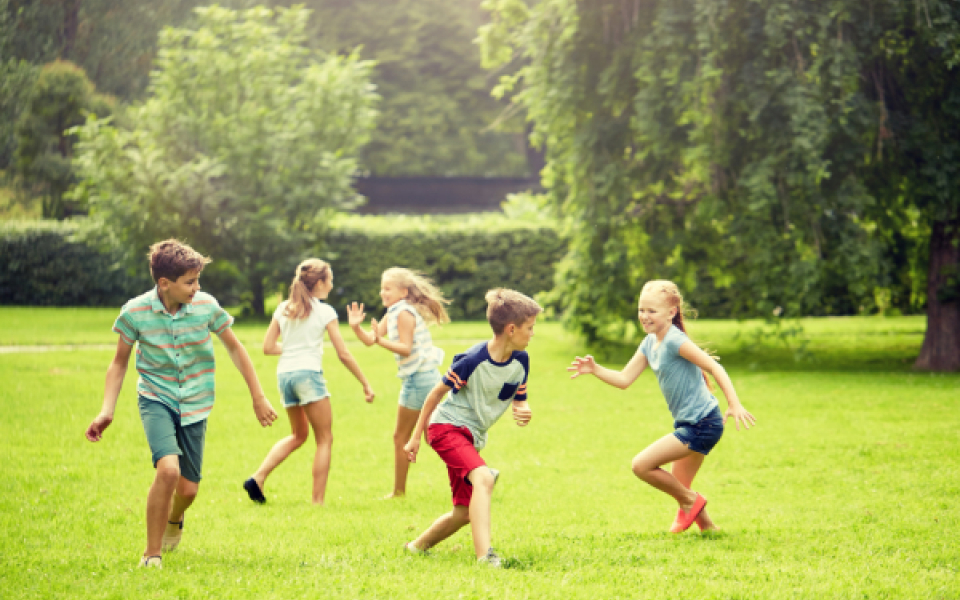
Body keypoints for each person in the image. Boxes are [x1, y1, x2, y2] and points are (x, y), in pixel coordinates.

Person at [84, 239, 278, 569]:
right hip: (156, 398)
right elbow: (119, 363)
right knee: (168, 471)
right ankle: (151, 553)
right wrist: (107, 409)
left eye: (197, 280)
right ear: (165, 283)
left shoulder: (205, 306)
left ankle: (175, 519)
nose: (196, 288)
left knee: (188, 491)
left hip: (196, 402)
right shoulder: (135, 312)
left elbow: (235, 347)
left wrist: (258, 396)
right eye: (189, 282)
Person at [568, 280, 756, 533]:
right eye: (641, 310)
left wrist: (734, 404)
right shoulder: (649, 342)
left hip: (702, 424)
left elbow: (714, 367)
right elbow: (624, 380)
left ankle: (692, 502)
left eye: (651, 311)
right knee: (679, 485)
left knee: (641, 465)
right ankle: (709, 529)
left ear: (672, 312)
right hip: (691, 423)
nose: (644, 316)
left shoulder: (674, 341)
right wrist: (595, 369)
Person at [403, 288, 541, 567]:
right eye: (530, 328)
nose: (533, 334)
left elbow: (519, 398)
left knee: (464, 512)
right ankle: (485, 557)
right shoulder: (472, 360)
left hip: (472, 437)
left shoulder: (521, 360)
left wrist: (522, 409)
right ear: (511, 329)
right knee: (484, 479)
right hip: (445, 428)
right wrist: (415, 437)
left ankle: (416, 547)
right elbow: (434, 395)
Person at [244, 259, 375, 506]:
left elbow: (268, 347)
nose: (332, 285)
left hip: (285, 376)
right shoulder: (324, 311)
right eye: (330, 280)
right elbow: (343, 353)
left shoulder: (284, 307)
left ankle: (258, 477)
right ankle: (317, 502)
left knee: (298, 434)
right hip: (308, 375)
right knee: (324, 439)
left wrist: (294, 347)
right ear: (320, 283)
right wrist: (365, 383)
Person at [347, 267, 450, 499]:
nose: (383, 292)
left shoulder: (403, 313)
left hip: (419, 381)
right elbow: (370, 340)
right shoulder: (394, 311)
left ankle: (399, 492)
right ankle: (477, 473)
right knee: (434, 436)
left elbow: (405, 348)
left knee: (402, 437)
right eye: (382, 288)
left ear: (403, 292)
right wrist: (355, 327)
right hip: (423, 378)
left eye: (388, 288)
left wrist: (381, 341)